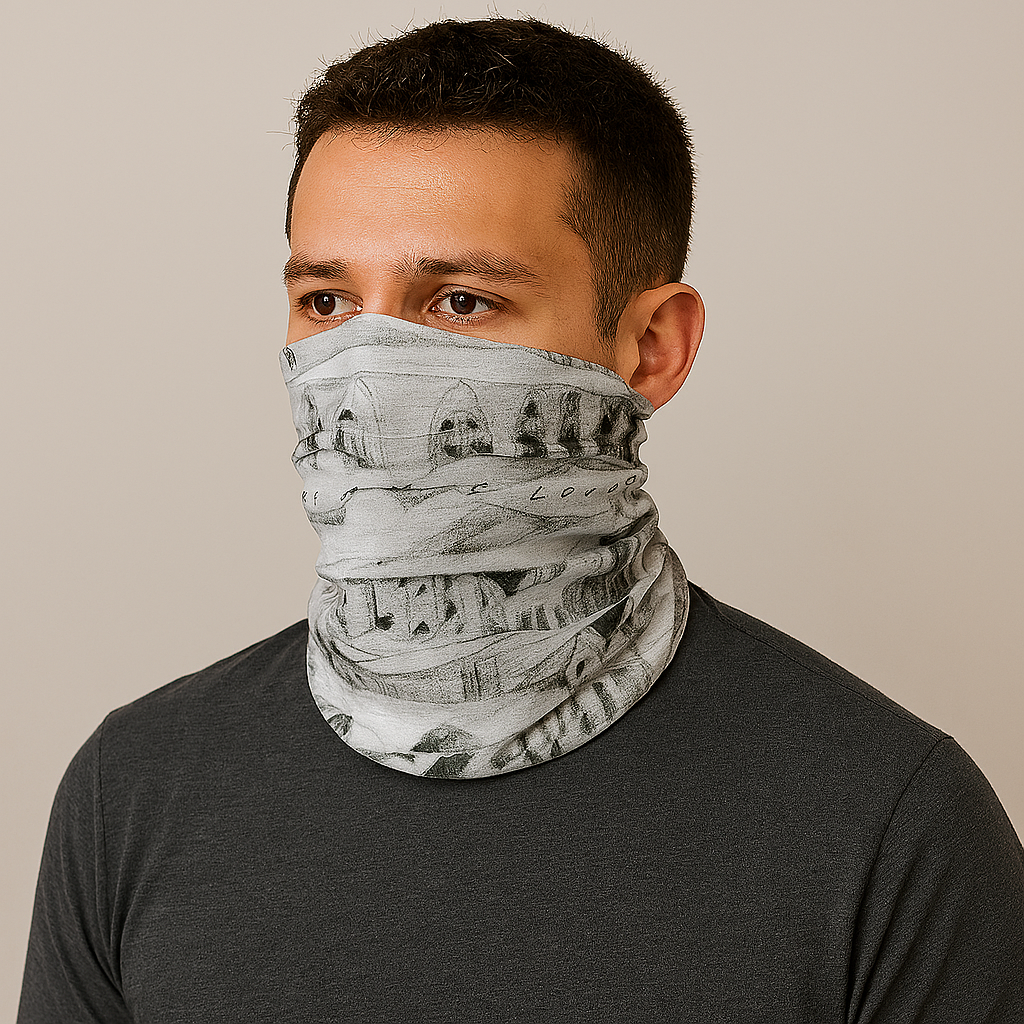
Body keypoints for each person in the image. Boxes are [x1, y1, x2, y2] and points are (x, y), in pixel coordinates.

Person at [18, 17, 1023, 1022]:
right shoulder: (133, 790)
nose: (364, 371)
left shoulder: (890, 827)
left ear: (652, 346)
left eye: (460, 301)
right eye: (326, 301)